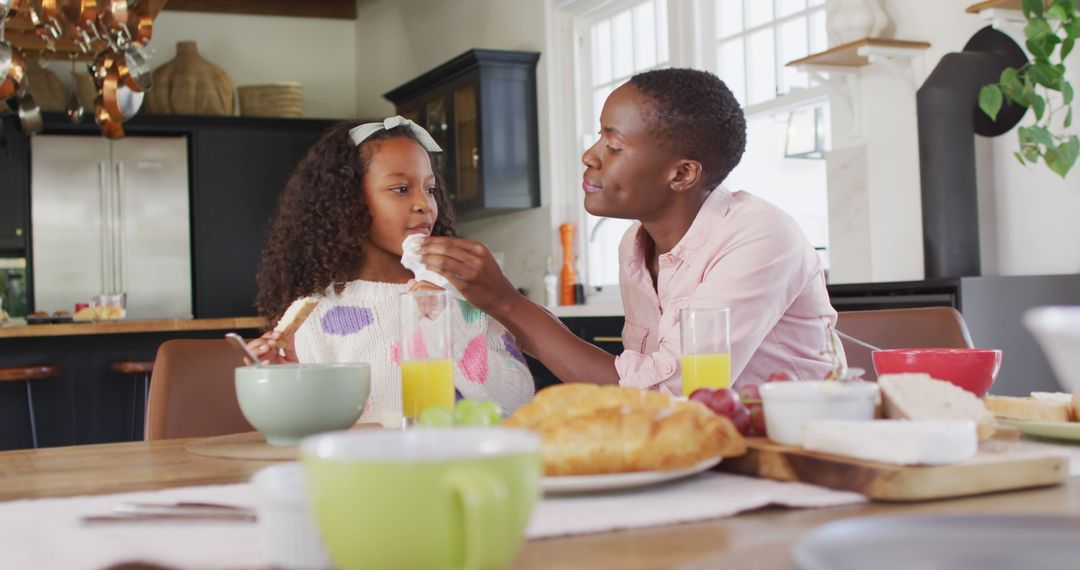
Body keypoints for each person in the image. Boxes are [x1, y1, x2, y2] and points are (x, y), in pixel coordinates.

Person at [417, 68, 841, 394]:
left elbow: (668, 396)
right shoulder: (634, 246)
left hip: (800, 447)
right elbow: (645, 382)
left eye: (613, 146)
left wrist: (506, 302)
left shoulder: (760, 235)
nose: (590, 156)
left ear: (682, 174)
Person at [247, 117, 535, 426]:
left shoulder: (466, 296)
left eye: (430, 189)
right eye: (401, 189)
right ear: (347, 202)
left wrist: (450, 326)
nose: (423, 204)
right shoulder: (316, 314)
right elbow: (309, 430)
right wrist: (284, 380)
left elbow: (519, 404)